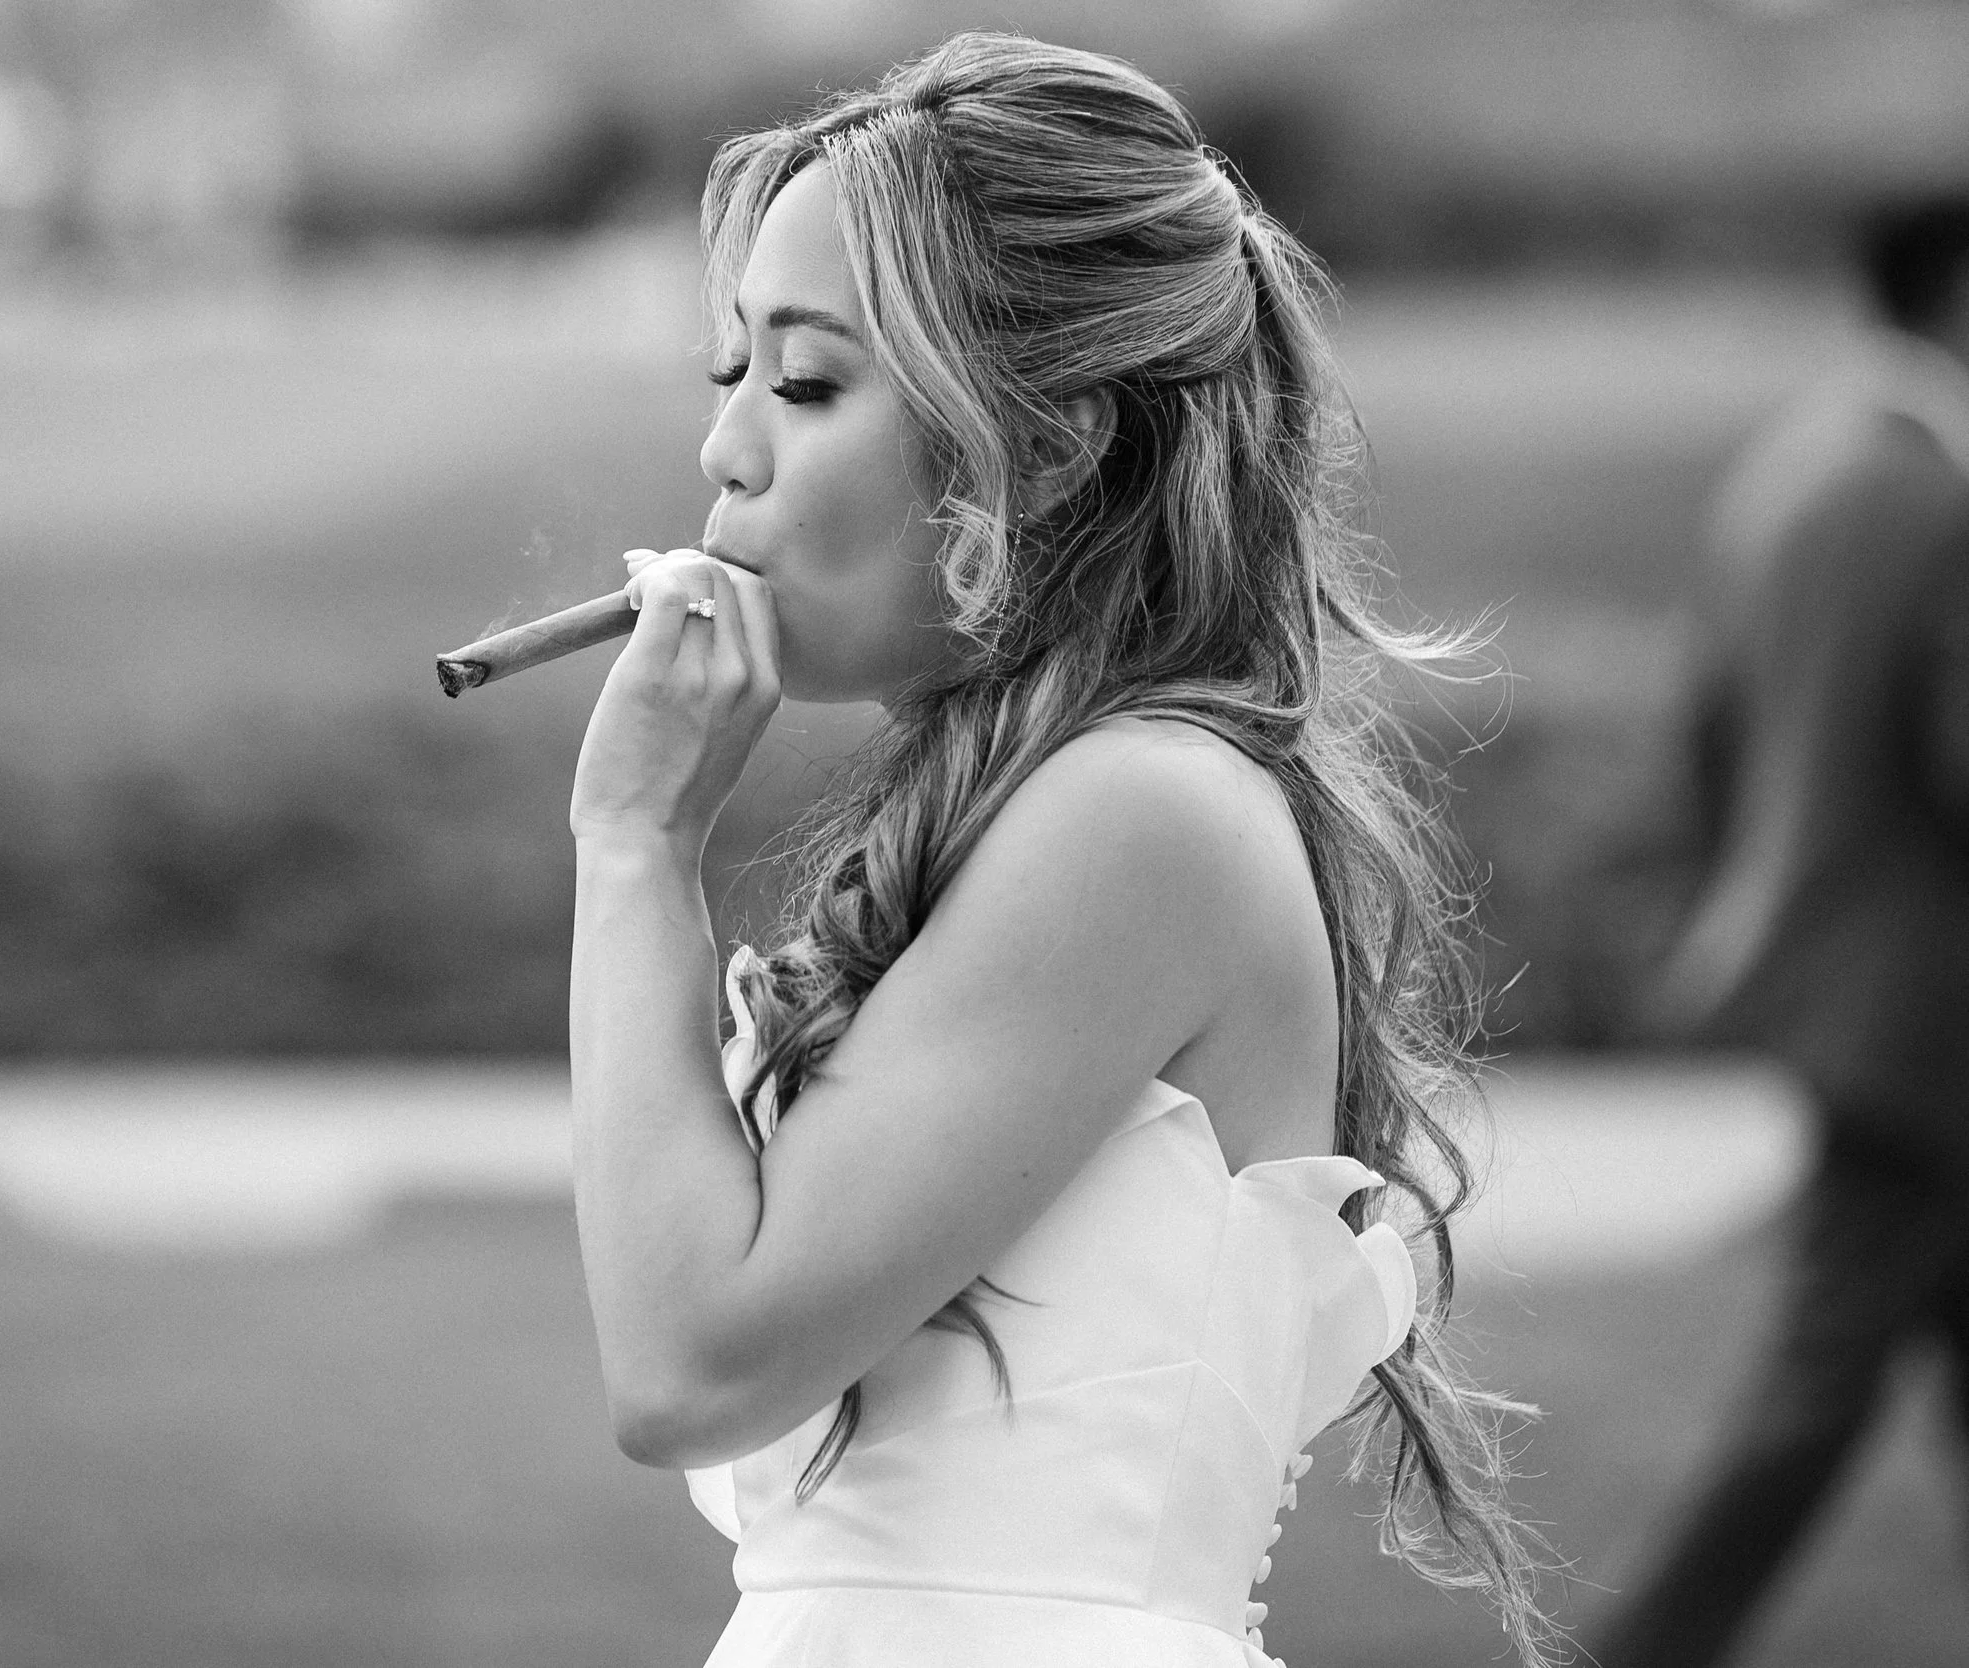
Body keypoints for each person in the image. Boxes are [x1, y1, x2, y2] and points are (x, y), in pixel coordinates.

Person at [562, 34, 1556, 1667]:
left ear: (1046, 442)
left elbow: (690, 1364)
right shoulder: (1064, 809)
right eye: (728, 373)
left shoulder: (1140, 814)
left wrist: (634, 840)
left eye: (805, 382)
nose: (722, 452)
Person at [1588, 200, 1969, 1668]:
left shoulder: (1794, 470)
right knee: (1820, 1380)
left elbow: (1715, 732)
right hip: (1928, 1000)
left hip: (1835, 970)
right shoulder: (1937, 491)